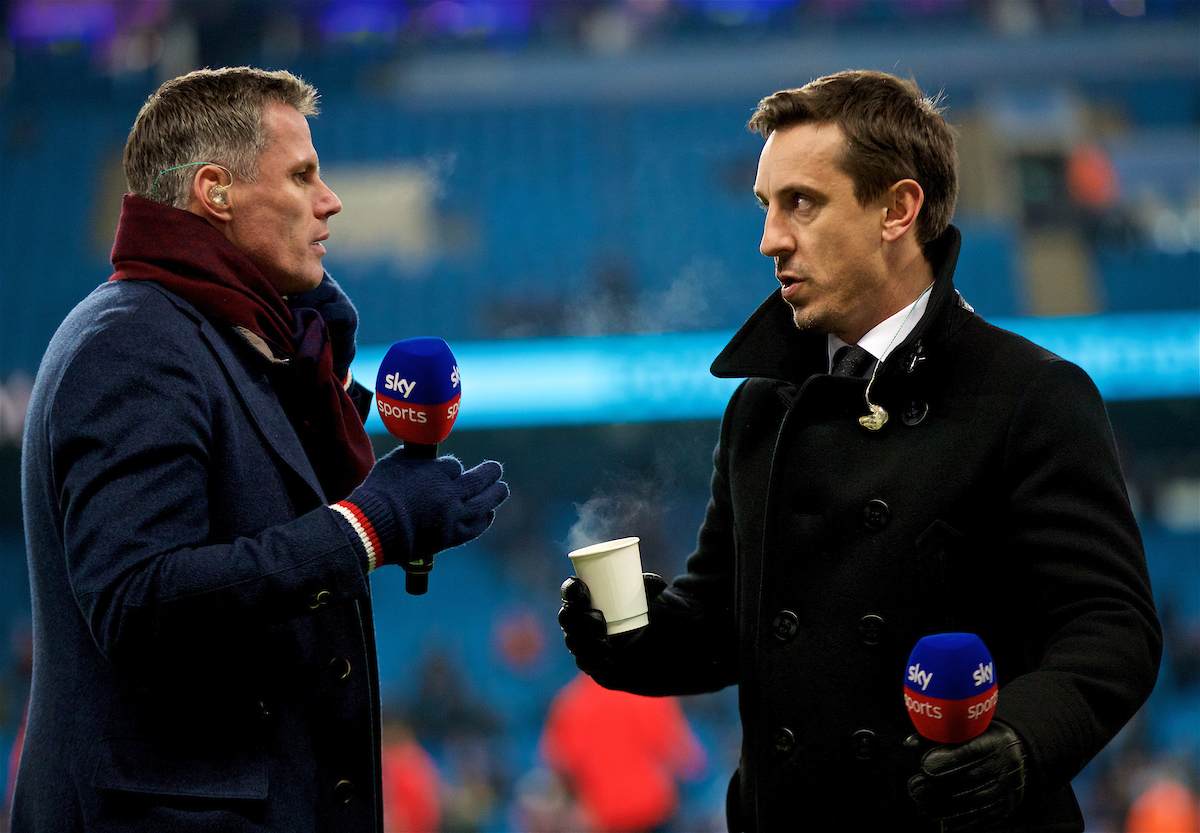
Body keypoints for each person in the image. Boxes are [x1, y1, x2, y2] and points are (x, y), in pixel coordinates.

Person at [558, 70, 1161, 832]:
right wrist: (627, 633)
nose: (771, 237)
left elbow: (1112, 628)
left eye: (800, 203)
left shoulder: (1031, 395)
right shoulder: (759, 407)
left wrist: (1021, 739)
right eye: (766, 206)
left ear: (897, 209)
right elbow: (718, 626)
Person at [13, 66, 508, 832]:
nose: (329, 199)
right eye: (303, 174)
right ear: (216, 191)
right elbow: (139, 598)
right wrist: (366, 528)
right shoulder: (133, 342)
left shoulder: (226, 336)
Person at [539, 672, 706, 833]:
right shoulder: (648, 694)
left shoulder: (569, 703)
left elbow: (557, 765)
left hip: (603, 818)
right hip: (653, 812)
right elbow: (687, 759)